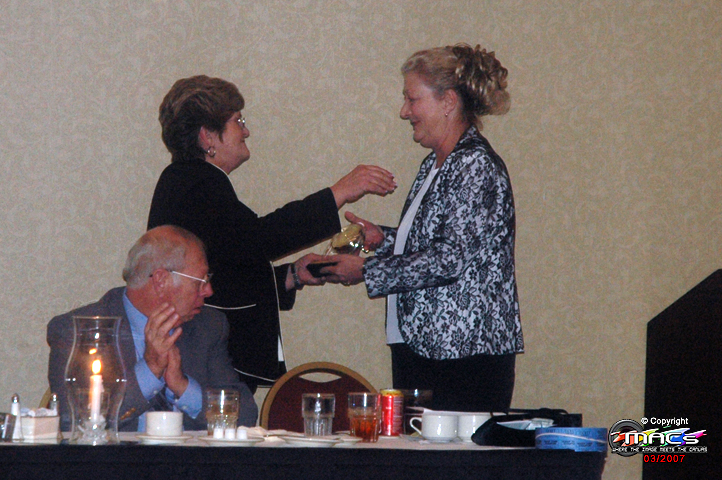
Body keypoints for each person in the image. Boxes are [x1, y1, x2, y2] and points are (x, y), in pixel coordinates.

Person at [147, 75, 396, 391]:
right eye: (238, 121)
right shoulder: (197, 183)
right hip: (199, 355)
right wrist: (339, 193)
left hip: (197, 351)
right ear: (208, 136)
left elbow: (230, 267)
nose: (246, 131)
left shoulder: (190, 181)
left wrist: (293, 275)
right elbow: (260, 239)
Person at [321, 44, 524, 412]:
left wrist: (366, 270)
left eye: (412, 99)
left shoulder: (473, 165)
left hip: (462, 355)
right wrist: (382, 241)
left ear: (448, 102)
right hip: (424, 348)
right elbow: (433, 245)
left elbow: (449, 259)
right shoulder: (435, 165)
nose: (404, 111)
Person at [47, 225, 257, 431]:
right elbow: (71, 419)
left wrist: (183, 387)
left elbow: (246, 416)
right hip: (115, 455)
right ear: (161, 280)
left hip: (187, 455)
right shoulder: (78, 330)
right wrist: (150, 370)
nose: (208, 291)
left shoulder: (208, 326)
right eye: (200, 281)